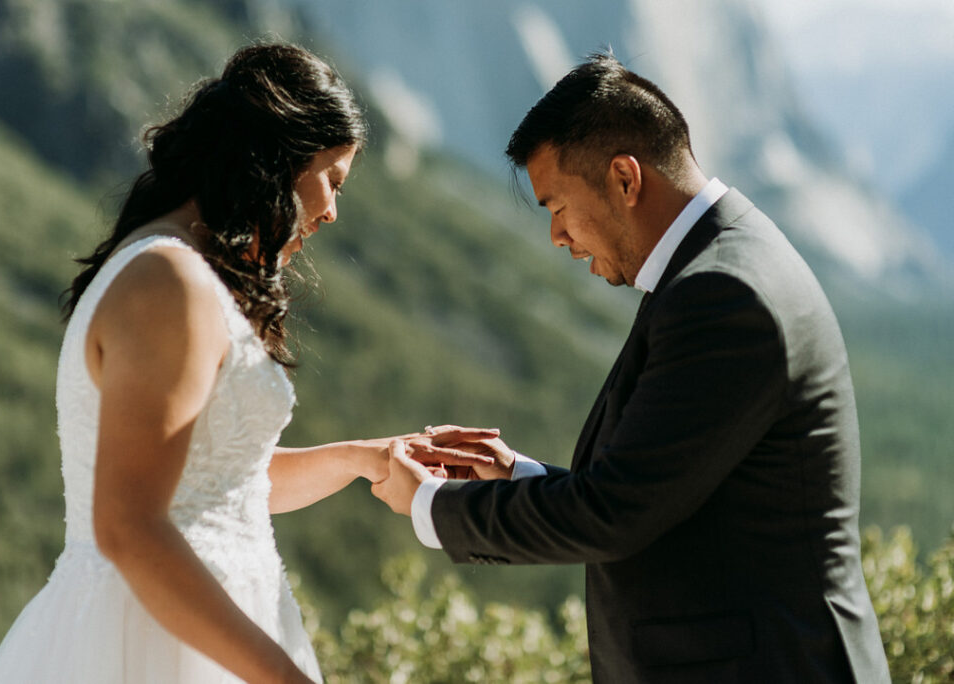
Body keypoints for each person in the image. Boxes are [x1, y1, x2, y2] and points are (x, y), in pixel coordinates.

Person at [372, 52, 891, 683]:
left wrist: (433, 504)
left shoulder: (722, 292)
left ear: (624, 177)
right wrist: (518, 478)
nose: (557, 237)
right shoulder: (719, 264)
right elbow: (659, 486)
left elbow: (614, 513)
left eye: (556, 206)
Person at [0, 43, 489, 684]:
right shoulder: (169, 281)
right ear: (278, 157)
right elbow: (130, 527)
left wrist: (365, 458)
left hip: (197, 626)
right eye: (332, 180)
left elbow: (213, 486)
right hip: (149, 643)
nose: (332, 212)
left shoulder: (180, 273)